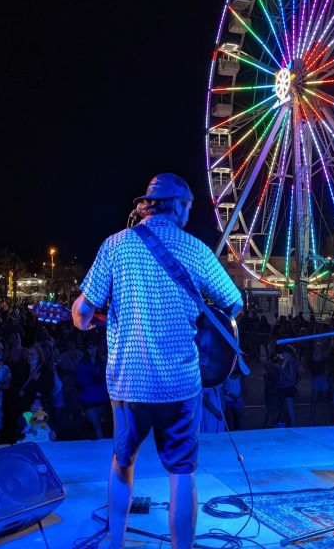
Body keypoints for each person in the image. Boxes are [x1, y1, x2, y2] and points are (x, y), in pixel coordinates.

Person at [72, 173, 243, 549]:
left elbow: (83, 313)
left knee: (122, 463)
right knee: (182, 474)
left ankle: (115, 542)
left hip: (130, 382)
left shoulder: (115, 246)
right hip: (181, 382)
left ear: (147, 204)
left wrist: (88, 315)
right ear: (179, 206)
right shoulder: (196, 249)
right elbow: (234, 302)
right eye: (188, 207)